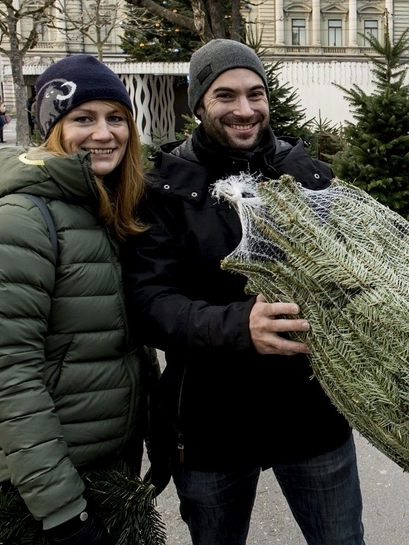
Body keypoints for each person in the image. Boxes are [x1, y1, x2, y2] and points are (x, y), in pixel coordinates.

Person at [122, 39, 365, 545]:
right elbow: (148, 303)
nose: (245, 110)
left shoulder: (307, 176)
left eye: (256, 94)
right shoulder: (166, 190)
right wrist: (238, 326)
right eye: (225, 96)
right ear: (198, 106)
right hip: (212, 424)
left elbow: (349, 276)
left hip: (310, 416)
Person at [0, 55, 150, 545]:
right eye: (83, 119)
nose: (104, 133)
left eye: (116, 118)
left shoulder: (100, 207)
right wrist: (62, 509)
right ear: (51, 128)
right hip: (51, 487)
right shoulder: (17, 222)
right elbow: (5, 372)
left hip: (107, 466)